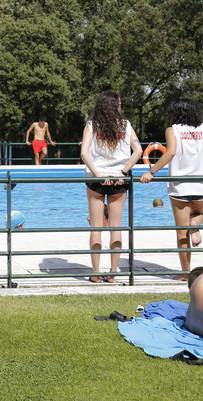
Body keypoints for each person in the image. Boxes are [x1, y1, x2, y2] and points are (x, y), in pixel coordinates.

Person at [140, 99, 203, 279]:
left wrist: (151, 172)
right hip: (201, 184)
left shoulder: (172, 130)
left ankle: (185, 273)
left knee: (182, 232)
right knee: (198, 214)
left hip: (180, 186)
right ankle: (195, 225)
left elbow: (171, 152)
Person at [80, 90, 142, 283]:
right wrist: (124, 170)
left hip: (96, 179)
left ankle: (96, 273)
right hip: (119, 179)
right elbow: (138, 150)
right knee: (116, 227)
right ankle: (113, 272)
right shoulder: (126, 125)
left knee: (96, 228)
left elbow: (84, 153)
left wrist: (97, 174)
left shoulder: (91, 125)